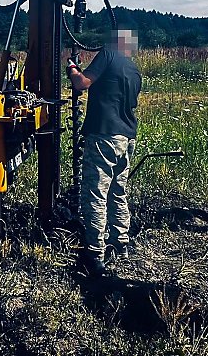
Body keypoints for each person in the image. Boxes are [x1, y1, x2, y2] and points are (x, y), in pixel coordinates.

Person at [68, 29, 142, 276]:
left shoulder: (108, 55)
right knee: (117, 191)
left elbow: (82, 84)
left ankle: (95, 253)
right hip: (127, 137)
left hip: (104, 136)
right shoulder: (134, 69)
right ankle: (121, 244)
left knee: (95, 194)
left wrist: (72, 70)